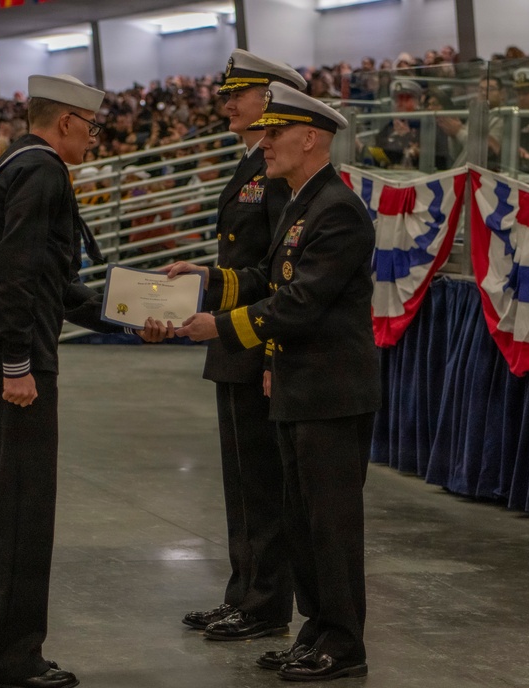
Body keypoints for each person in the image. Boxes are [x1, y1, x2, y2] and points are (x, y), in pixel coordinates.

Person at [0, 73, 170, 688]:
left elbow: (53, 285)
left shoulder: (13, 164)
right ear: (68, 121)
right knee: (21, 511)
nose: (95, 138)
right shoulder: (43, 171)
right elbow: (13, 274)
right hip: (13, 361)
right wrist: (18, 364)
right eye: (93, 127)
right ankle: (8, 656)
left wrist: (133, 316)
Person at [170, 81, 381, 682]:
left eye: (276, 132)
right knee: (302, 521)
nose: (264, 143)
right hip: (299, 385)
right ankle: (316, 630)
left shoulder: (337, 209)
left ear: (309, 138)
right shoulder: (301, 202)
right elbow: (266, 275)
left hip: (330, 392)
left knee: (331, 526)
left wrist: (221, 327)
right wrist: (208, 279)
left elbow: (301, 302)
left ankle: (344, 643)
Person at [180, 49, 302, 643]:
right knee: (241, 482)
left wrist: (271, 353)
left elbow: (279, 273)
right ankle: (243, 592)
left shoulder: (274, 171)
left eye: (240, 94)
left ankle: (265, 603)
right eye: (228, 95)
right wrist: (205, 278)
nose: (228, 104)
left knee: (260, 482)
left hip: (254, 341)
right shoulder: (252, 163)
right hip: (233, 341)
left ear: (271, 100)